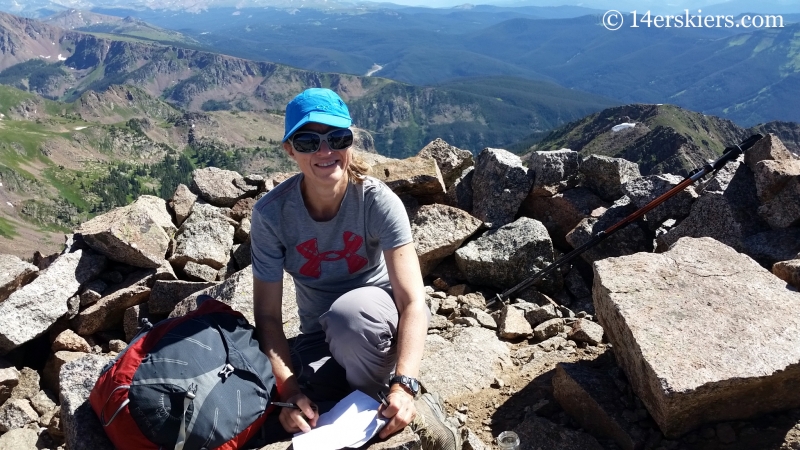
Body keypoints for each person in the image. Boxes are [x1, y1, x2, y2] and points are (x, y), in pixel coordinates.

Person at [250, 88, 460, 449]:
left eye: (337, 138)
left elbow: (412, 301)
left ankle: (406, 401)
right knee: (273, 403)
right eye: (307, 141)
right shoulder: (271, 215)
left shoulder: (375, 200)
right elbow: (267, 318)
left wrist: (405, 381)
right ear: (289, 149)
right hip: (320, 337)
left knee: (351, 316)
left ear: (351, 140)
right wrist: (289, 391)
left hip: (377, 326)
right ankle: (359, 400)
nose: (325, 151)